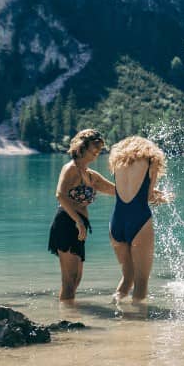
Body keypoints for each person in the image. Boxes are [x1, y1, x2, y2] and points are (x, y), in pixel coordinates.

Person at [48, 129, 114, 302]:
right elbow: (60, 195)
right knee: (69, 281)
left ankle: (68, 315)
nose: (97, 152)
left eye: (99, 148)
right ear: (81, 147)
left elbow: (117, 190)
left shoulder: (90, 175)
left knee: (76, 279)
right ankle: (66, 321)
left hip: (79, 226)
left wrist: (149, 192)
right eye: (95, 147)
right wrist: (78, 221)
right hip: (67, 223)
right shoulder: (70, 168)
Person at [108, 136, 171, 303]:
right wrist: (163, 198)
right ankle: (139, 325)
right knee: (141, 283)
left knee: (127, 278)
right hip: (139, 220)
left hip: (116, 222)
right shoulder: (151, 161)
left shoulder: (119, 162)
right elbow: (148, 196)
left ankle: (117, 314)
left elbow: (128, 190)